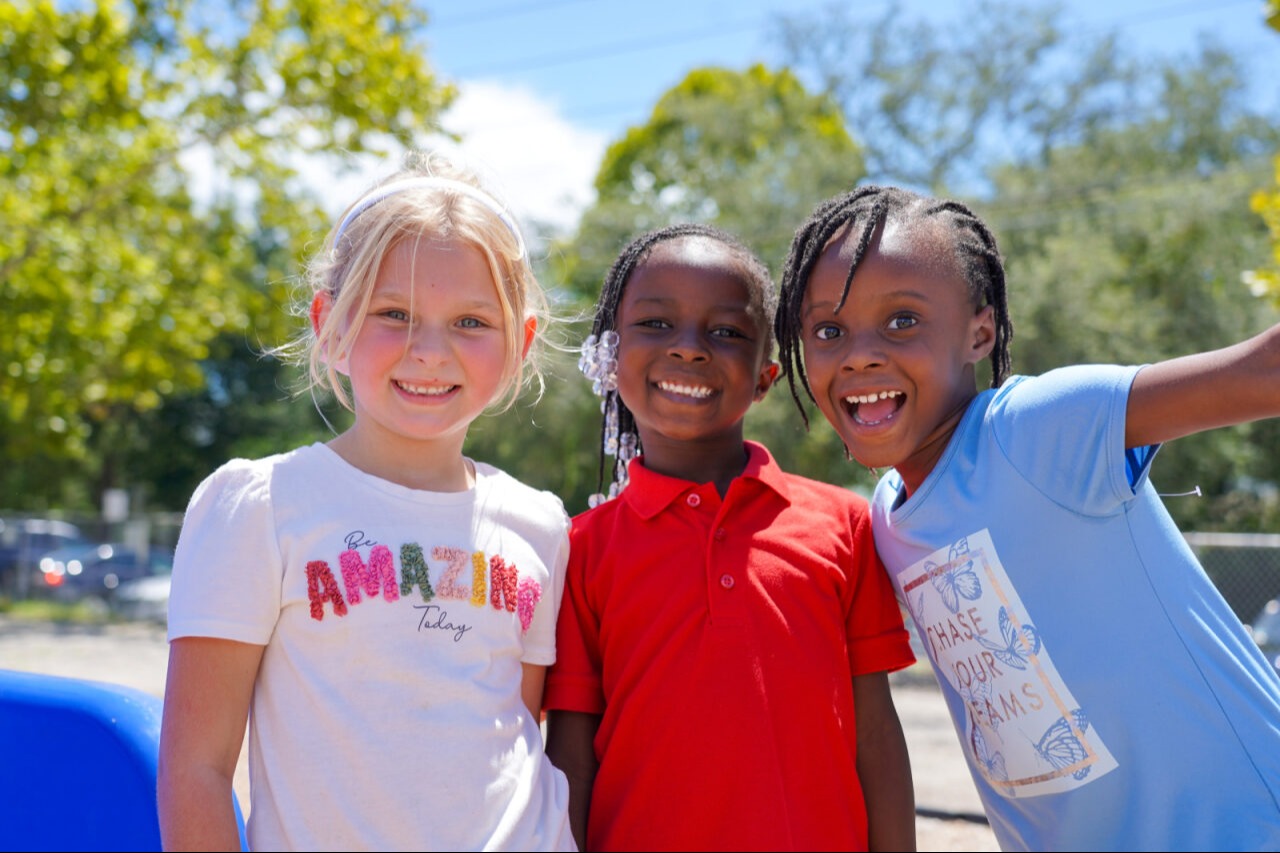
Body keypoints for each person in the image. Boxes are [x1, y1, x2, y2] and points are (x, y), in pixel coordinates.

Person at [774, 184, 1280, 851]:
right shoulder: (888, 519)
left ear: (980, 331)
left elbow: (1262, 369)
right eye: (828, 330)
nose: (860, 353)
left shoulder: (1037, 427)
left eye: (902, 320)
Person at [157, 151, 575, 852]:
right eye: (394, 313)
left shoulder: (541, 524)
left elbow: (516, 729)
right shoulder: (258, 505)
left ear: (521, 341)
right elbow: (196, 769)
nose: (429, 351)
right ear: (330, 322)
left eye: (471, 321)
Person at [543, 223, 918, 852]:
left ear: (766, 376)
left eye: (726, 332)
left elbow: (876, 734)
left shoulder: (843, 526)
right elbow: (571, 757)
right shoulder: (577, 550)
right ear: (610, 356)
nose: (690, 349)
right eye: (656, 324)